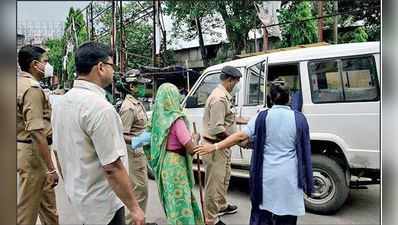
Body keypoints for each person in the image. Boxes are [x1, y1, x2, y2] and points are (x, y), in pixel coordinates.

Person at [194, 80, 314, 225]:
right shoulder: (300, 119)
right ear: (289, 98)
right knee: (287, 218)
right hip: (290, 177)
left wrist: (214, 147)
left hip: (267, 176)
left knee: (264, 215)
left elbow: (240, 136)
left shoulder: (262, 117)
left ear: (270, 99)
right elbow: (304, 149)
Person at [51, 42, 144, 225]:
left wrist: (71, 187)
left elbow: (57, 152)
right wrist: (134, 207)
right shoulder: (100, 108)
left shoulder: (62, 103)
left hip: (80, 198)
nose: (113, 71)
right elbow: (112, 167)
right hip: (104, 205)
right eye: (112, 65)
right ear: (101, 67)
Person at [145, 83, 205, 225]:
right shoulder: (176, 120)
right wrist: (195, 138)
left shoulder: (157, 120)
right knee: (181, 202)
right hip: (176, 165)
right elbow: (191, 148)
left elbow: (147, 140)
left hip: (165, 163)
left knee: (172, 201)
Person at [17, 45, 59, 225]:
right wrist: (51, 168)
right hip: (34, 153)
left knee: (48, 207)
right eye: (45, 61)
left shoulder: (18, 83)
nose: (48, 65)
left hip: (29, 149)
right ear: (35, 64)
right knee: (27, 210)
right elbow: (36, 131)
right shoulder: (32, 88)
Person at [201, 65, 245, 225]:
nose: (237, 85)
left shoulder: (225, 96)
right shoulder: (219, 98)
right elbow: (216, 128)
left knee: (224, 179)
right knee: (214, 184)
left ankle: (221, 205)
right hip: (214, 147)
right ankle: (210, 219)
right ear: (229, 80)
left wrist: (246, 121)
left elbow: (228, 118)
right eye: (237, 81)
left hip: (222, 146)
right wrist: (235, 139)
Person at [117, 69, 152, 225]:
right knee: (138, 192)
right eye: (140, 85)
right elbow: (122, 135)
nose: (144, 87)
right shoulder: (128, 107)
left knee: (143, 191)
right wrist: (140, 139)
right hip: (133, 156)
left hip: (140, 154)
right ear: (132, 87)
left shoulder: (137, 103)